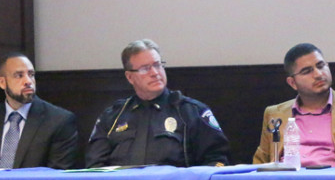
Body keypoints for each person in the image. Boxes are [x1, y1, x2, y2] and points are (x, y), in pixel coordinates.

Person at [86, 39, 230, 168]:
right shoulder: (113, 116)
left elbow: (217, 160)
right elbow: (95, 166)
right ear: (130, 77)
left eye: (157, 65)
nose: (154, 73)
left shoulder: (191, 111)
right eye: (145, 69)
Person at [253, 43, 335, 167]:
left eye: (321, 66)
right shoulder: (274, 113)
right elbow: (260, 163)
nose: (318, 74)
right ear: (292, 83)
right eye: (307, 71)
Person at [0, 54, 80, 169]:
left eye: (31, 74)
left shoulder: (59, 121)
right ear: (2, 82)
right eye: (19, 75)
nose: (28, 81)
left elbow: (57, 176)